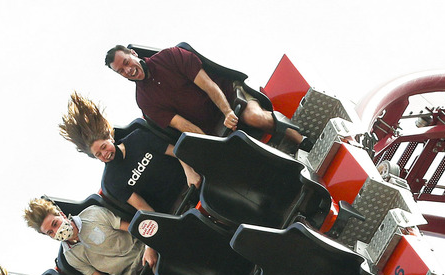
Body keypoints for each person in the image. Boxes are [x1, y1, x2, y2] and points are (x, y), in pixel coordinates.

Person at [104, 45, 305, 147]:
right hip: (212, 129)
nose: (128, 70)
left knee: (252, 117)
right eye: (121, 71)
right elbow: (183, 126)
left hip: (230, 97)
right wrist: (212, 145)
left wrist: (227, 112)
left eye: (127, 62)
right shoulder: (144, 101)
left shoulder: (170, 56)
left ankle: (301, 139)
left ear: (132, 53)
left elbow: (208, 84)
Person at [58, 92, 200, 213]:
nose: (104, 154)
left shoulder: (138, 138)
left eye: (103, 147)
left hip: (193, 181)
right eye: (98, 155)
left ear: (109, 137)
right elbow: (144, 208)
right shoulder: (111, 181)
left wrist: (190, 173)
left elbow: (177, 151)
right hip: (177, 208)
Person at [23, 197, 156, 275]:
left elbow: (137, 229)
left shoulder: (93, 214)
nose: (57, 231)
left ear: (62, 214)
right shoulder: (70, 256)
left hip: (144, 251)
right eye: (51, 232)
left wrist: (150, 246)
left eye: (55, 224)